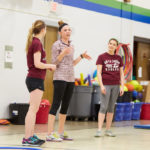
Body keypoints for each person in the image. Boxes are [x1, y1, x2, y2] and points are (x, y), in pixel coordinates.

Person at [46, 21, 91, 142]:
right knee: (56, 104)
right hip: (60, 77)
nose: (68, 32)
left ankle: (60, 132)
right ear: (60, 32)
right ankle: (49, 133)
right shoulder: (56, 45)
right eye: (65, 30)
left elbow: (72, 64)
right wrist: (63, 53)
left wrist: (81, 56)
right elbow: (54, 63)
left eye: (69, 30)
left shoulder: (72, 46)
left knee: (65, 105)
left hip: (70, 78)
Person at [22, 20, 56, 146]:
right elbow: (37, 63)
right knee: (32, 109)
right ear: (43, 30)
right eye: (46, 29)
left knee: (33, 109)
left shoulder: (36, 42)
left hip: (35, 79)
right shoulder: (36, 43)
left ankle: (30, 136)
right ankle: (27, 138)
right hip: (35, 79)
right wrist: (49, 66)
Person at [95, 38, 124, 137]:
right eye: (110, 44)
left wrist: (122, 86)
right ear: (108, 44)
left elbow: (121, 73)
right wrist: (102, 85)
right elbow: (99, 72)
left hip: (116, 85)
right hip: (106, 85)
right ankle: (99, 130)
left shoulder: (119, 58)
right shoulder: (101, 57)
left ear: (116, 47)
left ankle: (108, 130)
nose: (111, 45)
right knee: (103, 107)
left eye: (113, 44)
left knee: (111, 107)